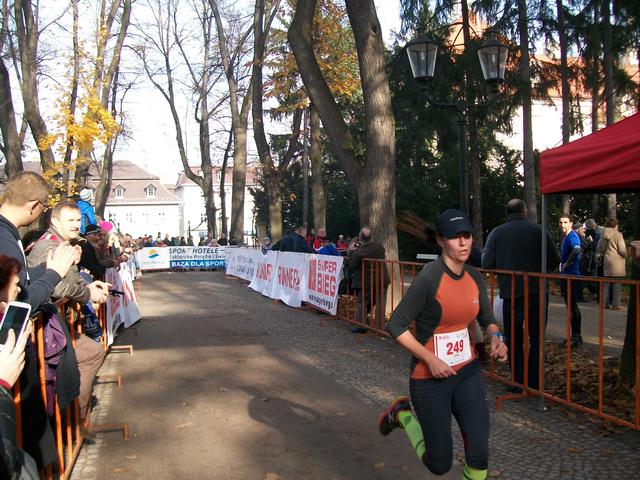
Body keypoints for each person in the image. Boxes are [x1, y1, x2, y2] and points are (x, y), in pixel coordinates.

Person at [378, 208, 508, 480]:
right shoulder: (429, 278)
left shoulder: (474, 276)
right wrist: (430, 359)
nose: (463, 242)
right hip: (429, 378)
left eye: (467, 236)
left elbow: (487, 318)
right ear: (441, 240)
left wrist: (497, 337)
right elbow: (396, 325)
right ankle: (403, 415)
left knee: (479, 455)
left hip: (467, 372)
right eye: (455, 237)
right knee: (439, 464)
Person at [0, 172, 77, 469]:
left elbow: (22, 283)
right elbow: (18, 301)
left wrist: (47, 269)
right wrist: (54, 274)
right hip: (12, 357)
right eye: (43, 208)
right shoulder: (5, 238)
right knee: (30, 445)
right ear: (33, 206)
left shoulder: (7, 234)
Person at [27, 201, 109, 439]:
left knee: (91, 354)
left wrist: (87, 285)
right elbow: (58, 287)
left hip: (56, 323)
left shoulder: (65, 243)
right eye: (70, 220)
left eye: (78, 220)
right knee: (89, 356)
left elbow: (69, 279)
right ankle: (73, 420)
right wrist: (87, 294)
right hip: (45, 327)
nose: (76, 225)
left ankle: (75, 417)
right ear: (55, 221)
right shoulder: (49, 246)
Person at [482, 199, 559, 390]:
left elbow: (487, 263)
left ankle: (518, 380)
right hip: (537, 290)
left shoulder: (497, 233)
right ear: (525, 212)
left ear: (507, 213)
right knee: (537, 337)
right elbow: (553, 260)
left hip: (511, 292)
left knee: (514, 337)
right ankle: (535, 381)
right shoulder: (539, 231)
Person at [346, 227, 389, 333]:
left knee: (362, 302)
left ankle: (362, 325)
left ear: (360, 238)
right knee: (381, 303)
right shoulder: (379, 247)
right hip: (382, 279)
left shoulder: (359, 252)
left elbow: (351, 265)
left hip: (367, 282)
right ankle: (380, 327)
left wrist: (351, 251)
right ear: (371, 237)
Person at [559, 214, 583, 347]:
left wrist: (567, 263)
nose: (562, 225)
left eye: (565, 222)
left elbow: (576, 250)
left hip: (571, 277)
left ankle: (576, 337)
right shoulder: (566, 237)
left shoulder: (572, 236)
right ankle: (576, 336)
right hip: (566, 276)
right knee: (571, 307)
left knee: (572, 307)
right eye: (561, 222)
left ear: (571, 223)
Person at [596, 217, 627, 310]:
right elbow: (622, 249)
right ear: (616, 225)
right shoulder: (618, 235)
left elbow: (600, 248)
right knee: (617, 283)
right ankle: (615, 305)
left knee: (606, 284)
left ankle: (604, 304)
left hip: (607, 260)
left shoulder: (603, 234)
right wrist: (625, 255)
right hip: (617, 262)